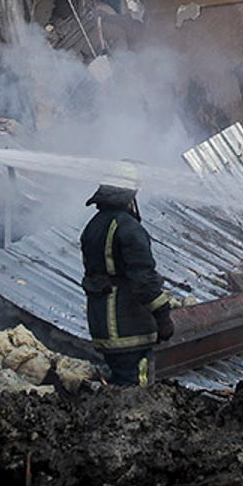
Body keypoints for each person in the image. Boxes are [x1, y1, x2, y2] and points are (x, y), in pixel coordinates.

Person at [79, 164, 175, 386]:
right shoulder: (127, 228)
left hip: (103, 325)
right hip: (128, 327)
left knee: (119, 385)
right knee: (135, 391)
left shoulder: (93, 226)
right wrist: (162, 316)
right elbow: (143, 279)